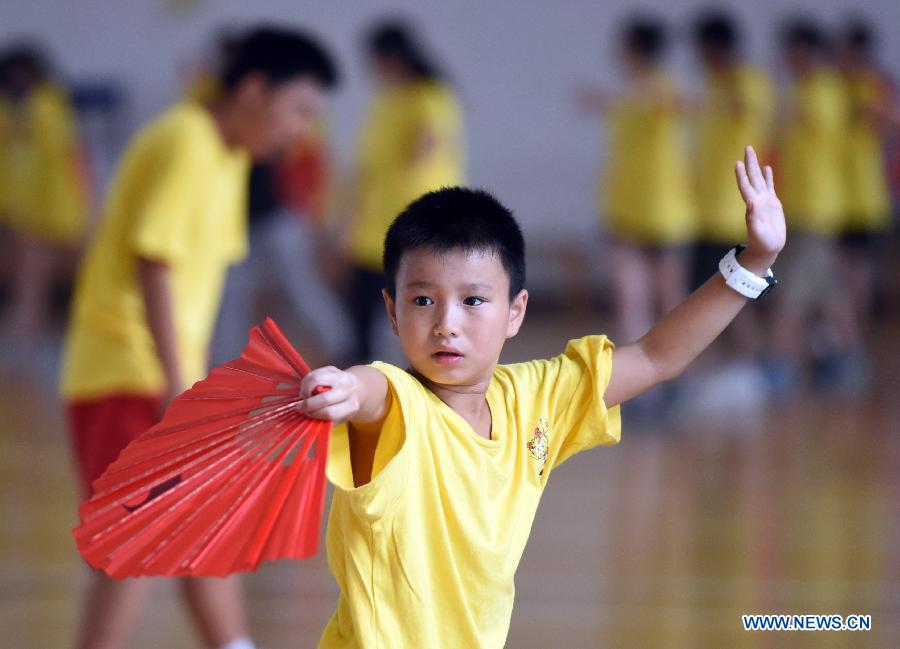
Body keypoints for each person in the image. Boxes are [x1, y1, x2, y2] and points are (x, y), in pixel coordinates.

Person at [297, 146, 784, 648]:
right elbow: (372, 390)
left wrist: (754, 262)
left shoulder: (536, 398)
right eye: (423, 300)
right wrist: (348, 387)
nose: (447, 324)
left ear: (515, 311)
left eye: (473, 301)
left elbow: (657, 356)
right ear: (392, 312)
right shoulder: (397, 402)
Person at [59, 26, 338, 649]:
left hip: (161, 370)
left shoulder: (228, 155)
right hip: (127, 371)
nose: (301, 131)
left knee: (205, 526)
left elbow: (204, 282)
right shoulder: (186, 140)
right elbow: (154, 261)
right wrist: (174, 384)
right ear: (253, 88)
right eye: (298, 110)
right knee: (138, 544)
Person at [341, 19, 464, 364]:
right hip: (373, 226)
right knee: (365, 309)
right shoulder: (384, 102)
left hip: (419, 224)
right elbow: (364, 166)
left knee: (419, 304)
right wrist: (350, 220)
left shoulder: (432, 96)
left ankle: (423, 378)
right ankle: (366, 379)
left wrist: (426, 144)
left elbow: (433, 137)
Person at [579, 16, 695, 356]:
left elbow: (677, 102)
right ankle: (637, 370)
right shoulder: (630, 90)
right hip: (626, 207)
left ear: (635, 48)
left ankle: (674, 367)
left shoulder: (663, 86)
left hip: (665, 210)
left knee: (669, 297)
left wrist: (617, 98)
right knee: (629, 297)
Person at [689, 11, 774, 372]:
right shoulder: (714, 82)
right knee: (715, 294)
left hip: (735, 212)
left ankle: (751, 368)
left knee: (735, 292)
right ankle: (736, 369)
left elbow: (743, 108)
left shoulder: (747, 81)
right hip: (707, 212)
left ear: (712, 46)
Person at [770, 18, 847, 394]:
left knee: (793, 295)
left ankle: (781, 369)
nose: (789, 58)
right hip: (799, 211)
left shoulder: (825, 91)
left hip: (819, 211)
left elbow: (811, 121)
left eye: (794, 50)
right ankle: (844, 359)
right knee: (825, 293)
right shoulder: (799, 90)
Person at [0, 44, 91, 340]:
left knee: (41, 276)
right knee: (31, 275)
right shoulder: (21, 107)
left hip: (51, 204)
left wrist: (89, 201)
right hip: (31, 205)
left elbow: (72, 154)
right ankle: (28, 330)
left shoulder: (47, 105)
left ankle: (28, 330)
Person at [827, 18, 896, 390]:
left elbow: (892, 118)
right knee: (837, 277)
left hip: (867, 197)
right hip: (837, 197)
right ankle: (844, 341)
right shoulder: (836, 84)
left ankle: (855, 346)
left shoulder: (874, 84)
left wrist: (877, 112)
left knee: (857, 278)